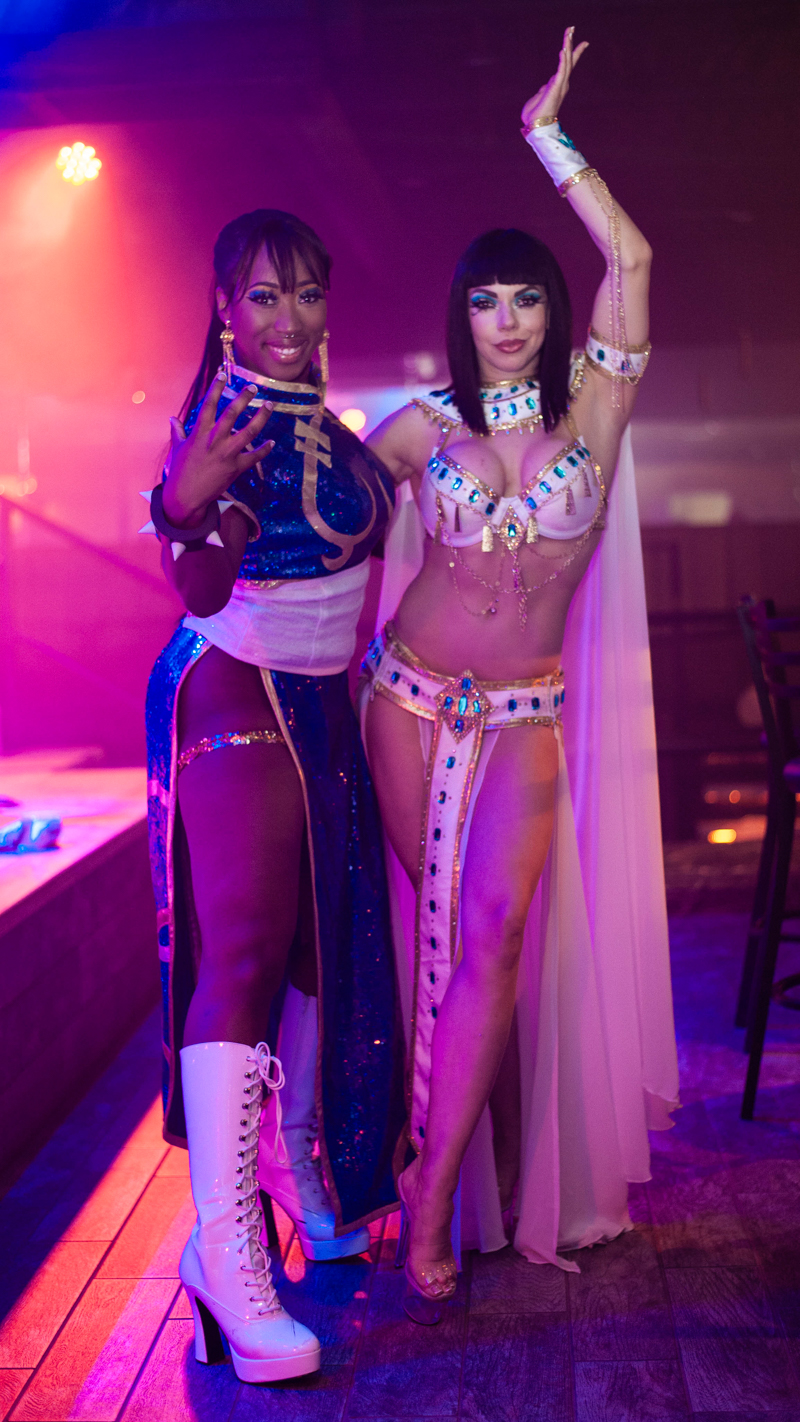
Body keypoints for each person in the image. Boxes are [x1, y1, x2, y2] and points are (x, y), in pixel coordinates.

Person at [359, 30, 679, 1319]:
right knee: (439, 945)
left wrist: (548, 140)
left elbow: (632, 261)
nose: (506, 321)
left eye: (526, 299)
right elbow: (321, 518)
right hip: (405, 704)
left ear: (551, 313)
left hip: (524, 718)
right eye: (486, 301)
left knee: (490, 936)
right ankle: (449, 1181)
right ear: (461, 316)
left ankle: (433, 1191)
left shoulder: (594, 411)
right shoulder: (419, 425)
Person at [143, 209, 405, 1380]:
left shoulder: (325, 424)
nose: (285, 317)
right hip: (237, 683)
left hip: (321, 706)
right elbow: (203, 584)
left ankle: (300, 1177)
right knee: (245, 949)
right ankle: (224, 1255)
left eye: (303, 293)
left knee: (315, 946)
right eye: (260, 295)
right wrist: (178, 504)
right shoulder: (231, 418)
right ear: (222, 309)